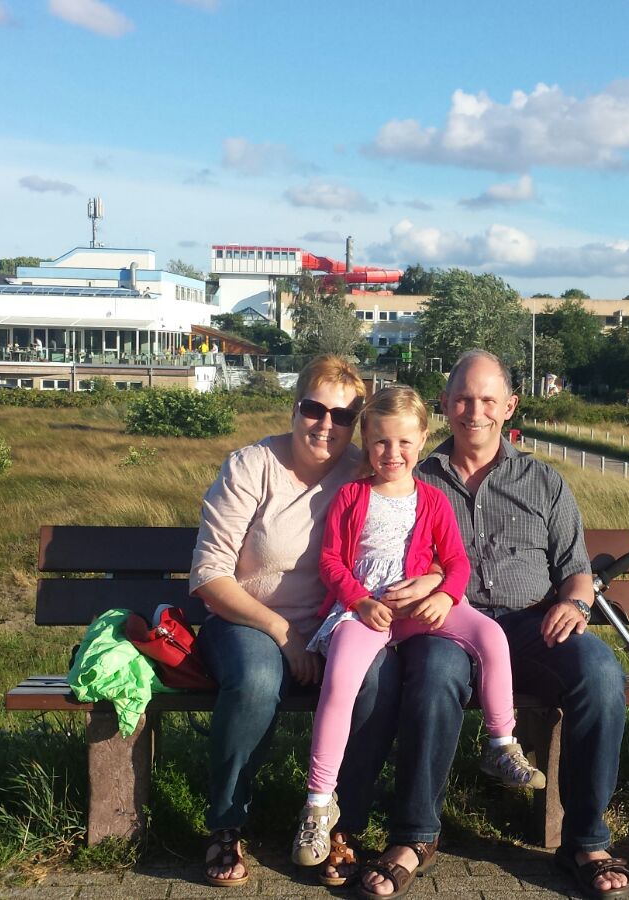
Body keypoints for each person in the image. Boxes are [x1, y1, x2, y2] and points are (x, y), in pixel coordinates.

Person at [363, 349, 629, 899]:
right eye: (462, 398)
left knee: (600, 674)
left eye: (488, 399)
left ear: (509, 406)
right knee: (432, 676)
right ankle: (414, 835)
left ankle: (585, 841)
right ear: (444, 404)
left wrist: (575, 606)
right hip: (450, 626)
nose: (474, 411)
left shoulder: (545, 482)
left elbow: (577, 572)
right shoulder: (417, 481)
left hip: (532, 626)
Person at [188, 355, 438, 889]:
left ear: (358, 427)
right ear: (294, 406)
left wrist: (435, 578)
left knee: (377, 679)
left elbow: (422, 534)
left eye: (344, 416)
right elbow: (209, 575)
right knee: (258, 679)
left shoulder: (365, 472)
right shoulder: (251, 466)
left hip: (339, 624)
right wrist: (285, 635)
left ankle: (339, 828)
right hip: (248, 623)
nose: (327, 424)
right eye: (313, 408)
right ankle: (227, 825)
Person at [291, 386, 545, 871]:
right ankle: (320, 802)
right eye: (382, 442)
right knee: (342, 681)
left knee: (491, 636)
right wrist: (359, 601)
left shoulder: (431, 499)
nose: (393, 453)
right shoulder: (352, 495)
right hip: (365, 612)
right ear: (366, 440)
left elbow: (456, 562)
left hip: (422, 610)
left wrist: (445, 595)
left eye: (406, 443)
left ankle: (500, 743)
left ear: (423, 439)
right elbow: (331, 561)